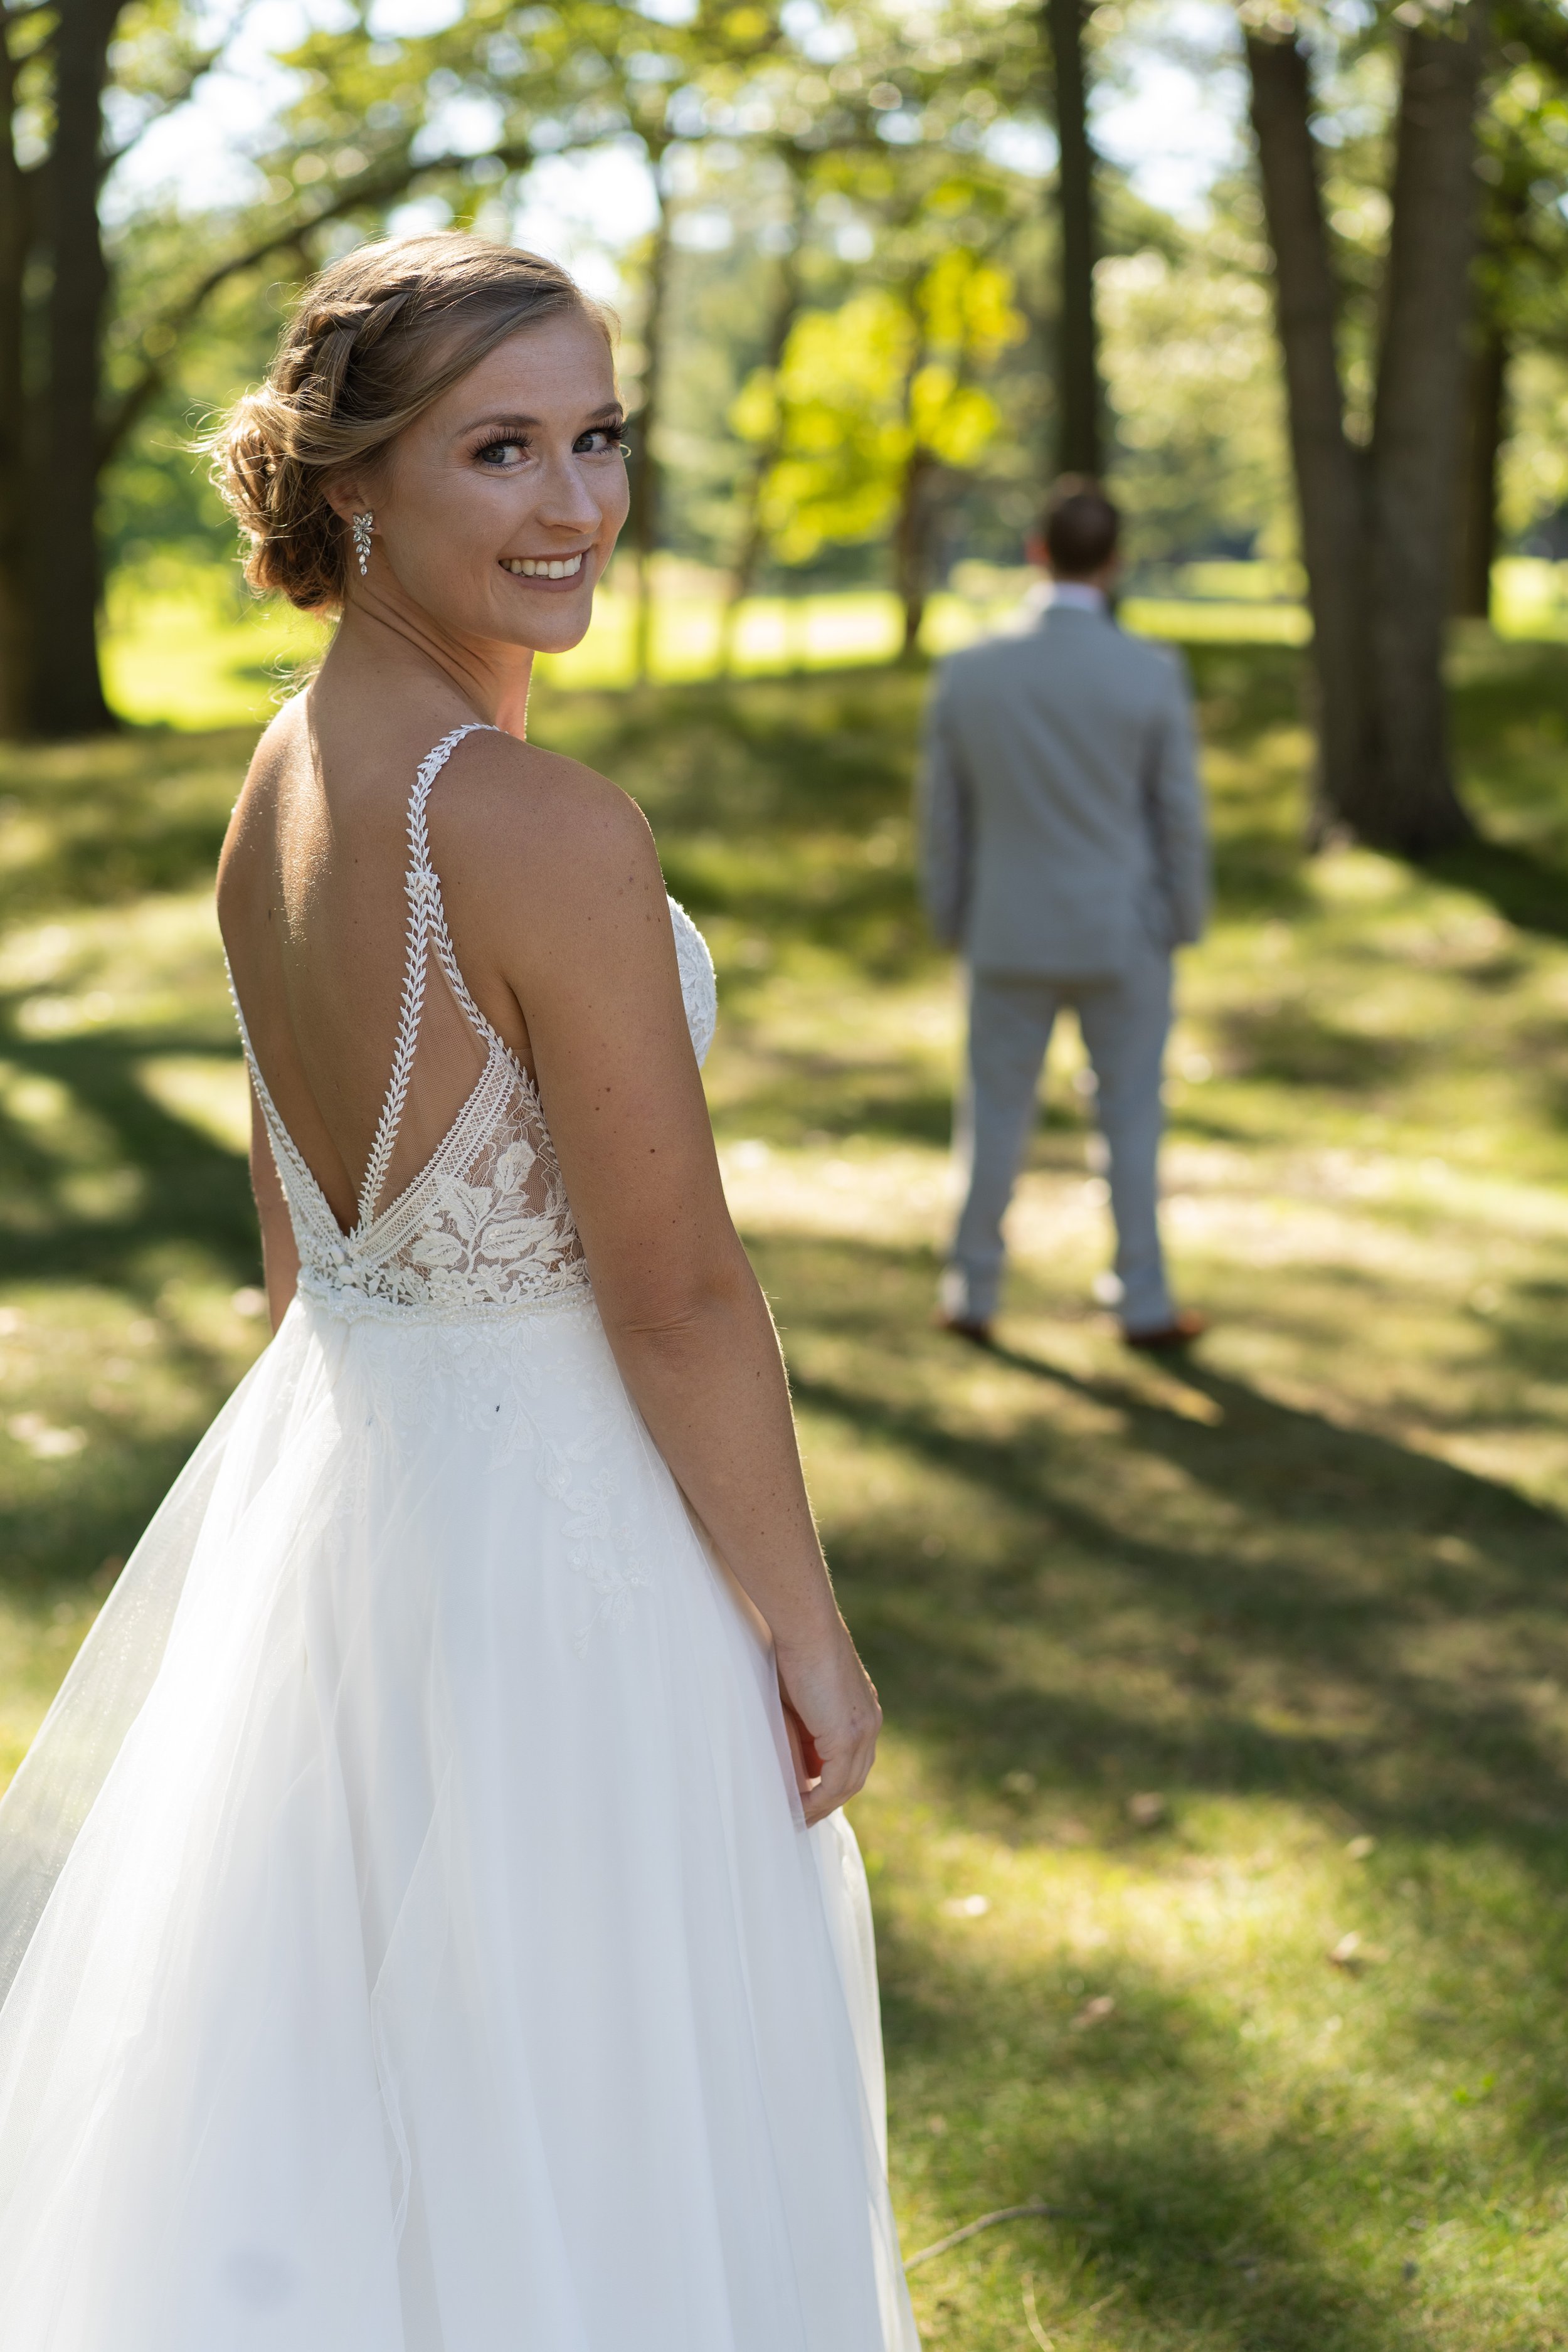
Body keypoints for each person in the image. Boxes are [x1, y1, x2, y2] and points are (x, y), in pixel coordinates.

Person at [0, 234, 919, 2352]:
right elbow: (675, 1286)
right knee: (594, 2128)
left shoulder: (277, 787)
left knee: (365, 2109)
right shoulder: (532, 822)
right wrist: (803, 1621)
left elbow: (291, 1240)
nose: (574, 505)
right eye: (500, 451)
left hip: (352, 1511)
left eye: (596, 439)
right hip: (568, 1559)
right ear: (351, 495)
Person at [919, 478, 1209, 1352]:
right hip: (1125, 931)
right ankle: (1144, 1301)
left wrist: (952, 914)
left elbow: (944, 816)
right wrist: (1185, 917)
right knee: (1131, 1117)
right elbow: (1179, 814)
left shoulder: (971, 671)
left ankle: (972, 1288)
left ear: (1035, 552)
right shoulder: (1151, 671)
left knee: (995, 1115)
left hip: (1006, 925)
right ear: (1115, 561)